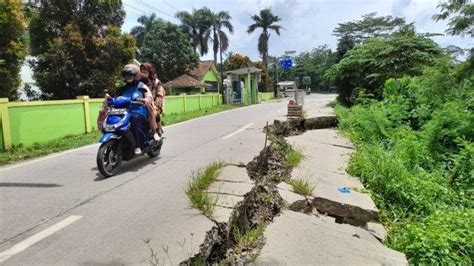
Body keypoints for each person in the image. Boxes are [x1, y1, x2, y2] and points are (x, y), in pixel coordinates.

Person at [99, 64, 155, 155]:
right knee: (112, 120)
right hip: (124, 111)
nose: (128, 77)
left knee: (134, 121)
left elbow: (149, 96)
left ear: (135, 75)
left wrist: (145, 100)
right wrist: (110, 101)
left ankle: (138, 145)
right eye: (126, 75)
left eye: (130, 75)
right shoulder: (122, 88)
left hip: (138, 110)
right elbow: (115, 98)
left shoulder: (141, 86)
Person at [140, 63, 165, 136]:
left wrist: (155, 105)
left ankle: (158, 130)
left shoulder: (156, 81)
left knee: (154, 112)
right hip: (142, 101)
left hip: (155, 101)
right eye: (141, 70)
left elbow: (160, 94)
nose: (143, 71)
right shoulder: (140, 81)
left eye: (145, 70)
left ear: (149, 70)